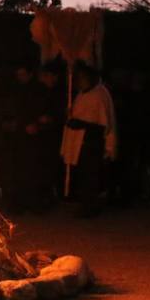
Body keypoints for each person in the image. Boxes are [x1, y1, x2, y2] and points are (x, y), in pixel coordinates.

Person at [62, 61, 117, 217]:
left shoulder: (100, 94)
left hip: (92, 143)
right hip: (80, 142)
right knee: (83, 175)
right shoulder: (81, 94)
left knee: (91, 175)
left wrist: (82, 124)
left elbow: (103, 124)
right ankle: (85, 203)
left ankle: (91, 207)